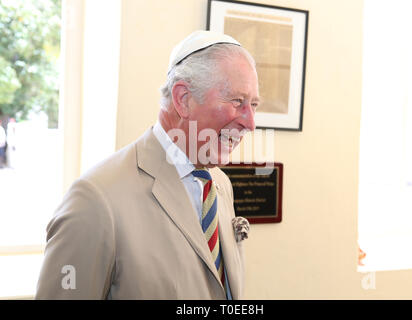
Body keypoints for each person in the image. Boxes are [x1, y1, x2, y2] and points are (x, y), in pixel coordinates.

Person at [35, 30, 259, 299]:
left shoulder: (219, 184)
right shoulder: (96, 198)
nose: (250, 123)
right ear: (183, 99)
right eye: (238, 102)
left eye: (254, 105)